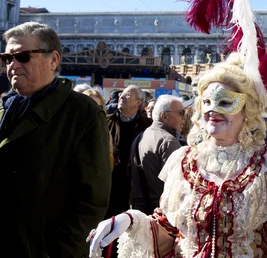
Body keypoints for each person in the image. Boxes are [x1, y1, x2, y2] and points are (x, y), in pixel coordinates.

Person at [89, 0, 267, 258]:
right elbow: (168, 230)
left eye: (226, 101)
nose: (213, 108)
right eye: (206, 101)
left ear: (248, 109)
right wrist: (130, 222)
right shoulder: (184, 161)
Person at [0, 22, 111, 257]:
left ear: (53, 60)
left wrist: (57, 252)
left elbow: (92, 199)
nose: (13, 65)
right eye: (7, 58)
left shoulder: (83, 113)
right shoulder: (4, 107)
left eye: (22, 56)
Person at [130, 95, 185, 214]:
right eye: (181, 113)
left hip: (138, 210)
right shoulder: (168, 141)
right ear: (165, 116)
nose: (184, 118)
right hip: (160, 213)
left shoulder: (141, 136)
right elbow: (176, 186)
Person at [105, 85, 152, 219]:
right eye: (121, 94)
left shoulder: (148, 126)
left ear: (138, 102)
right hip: (111, 185)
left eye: (127, 95)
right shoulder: (106, 122)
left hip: (136, 186)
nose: (121, 96)